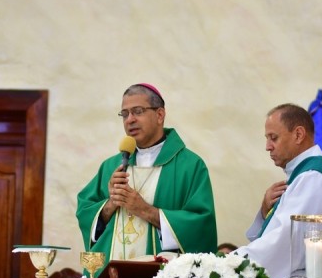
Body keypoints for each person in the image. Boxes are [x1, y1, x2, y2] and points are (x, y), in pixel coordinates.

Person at [76, 83, 217, 268]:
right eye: (124, 114)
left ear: (160, 115)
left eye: (138, 111)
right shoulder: (111, 166)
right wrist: (111, 204)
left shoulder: (190, 166)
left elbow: (201, 226)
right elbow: (85, 213)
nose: (130, 120)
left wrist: (144, 210)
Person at [234, 103, 322, 278]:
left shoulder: (314, 177)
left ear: (298, 135)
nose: (268, 147)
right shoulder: (303, 175)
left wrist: (231, 264)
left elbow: (287, 241)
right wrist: (266, 212)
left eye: (273, 138)